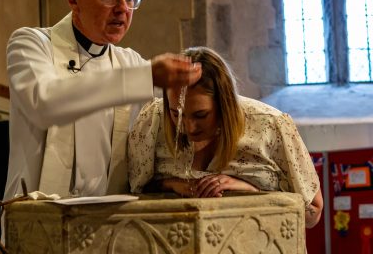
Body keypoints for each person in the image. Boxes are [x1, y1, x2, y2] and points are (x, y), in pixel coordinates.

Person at [0, 0, 201, 254]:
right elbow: (46, 102)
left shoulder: (130, 63)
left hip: (108, 233)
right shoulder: (31, 45)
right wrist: (144, 77)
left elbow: (157, 140)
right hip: (39, 224)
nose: (123, 8)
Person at [127, 46, 323, 228]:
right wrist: (170, 185)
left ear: (224, 106)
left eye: (200, 115)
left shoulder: (270, 125)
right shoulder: (152, 121)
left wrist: (252, 192)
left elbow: (312, 213)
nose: (188, 127)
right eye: (176, 114)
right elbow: (132, 195)